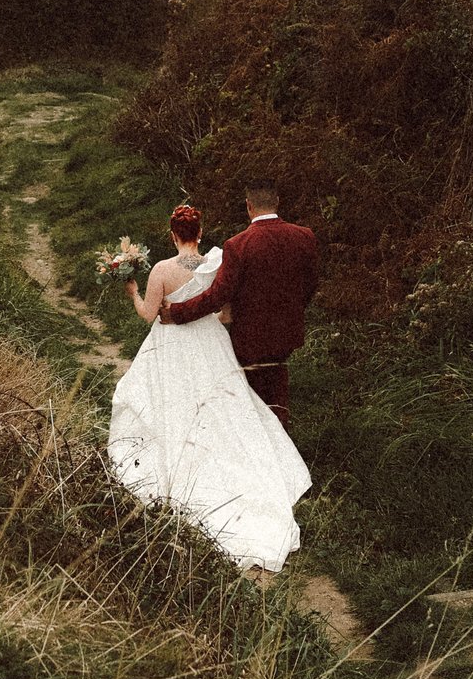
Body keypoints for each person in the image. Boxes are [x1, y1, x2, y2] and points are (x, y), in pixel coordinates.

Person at [109, 203, 310, 574]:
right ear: (200, 233)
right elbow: (227, 314)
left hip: (170, 345)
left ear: (173, 235)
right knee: (224, 405)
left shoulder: (161, 270)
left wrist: (133, 293)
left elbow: (149, 314)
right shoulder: (216, 265)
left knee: (168, 402)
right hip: (210, 341)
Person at [156, 183, 317, 427]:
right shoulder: (304, 236)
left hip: (250, 335)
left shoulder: (239, 244)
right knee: (278, 383)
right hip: (287, 330)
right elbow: (310, 283)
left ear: (249, 206)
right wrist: (292, 309)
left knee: (252, 396)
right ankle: (281, 436)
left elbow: (217, 296)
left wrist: (177, 313)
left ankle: (264, 441)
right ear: (277, 202)